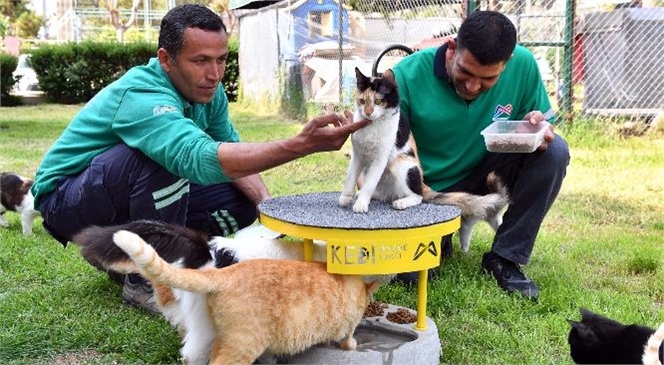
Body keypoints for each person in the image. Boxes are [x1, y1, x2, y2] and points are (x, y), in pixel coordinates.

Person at [31, 4, 369, 313]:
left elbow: (227, 147)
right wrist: (300, 144)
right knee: (161, 161)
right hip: (65, 200)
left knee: (243, 198)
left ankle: (142, 259)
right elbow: (193, 157)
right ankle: (147, 282)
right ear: (166, 59)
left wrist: (267, 206)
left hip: (116, 195)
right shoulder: (143, 93)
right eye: (201, 61)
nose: (215, 73)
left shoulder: (210, 91)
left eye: (221, 59)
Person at [385, 10, 570, 300]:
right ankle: (438, 235)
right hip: (426, 194)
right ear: (451, 49)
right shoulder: (404, 77)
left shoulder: (523, 64)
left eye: (487, 79)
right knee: (411, 275)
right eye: (465, 72)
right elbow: (384, 161)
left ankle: (505, 257)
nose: (472, 87)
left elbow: (542, 124)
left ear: (506, 64)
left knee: (554, 151)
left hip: (484, 171)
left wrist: (536, 127)